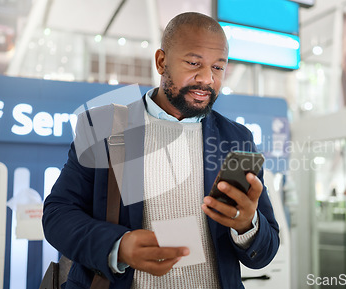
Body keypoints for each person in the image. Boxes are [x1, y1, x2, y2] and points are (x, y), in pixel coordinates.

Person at [43, 12, 280, 289]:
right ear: (161, 61)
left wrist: (247, 225)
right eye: (194, 63)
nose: (206, 78)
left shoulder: (236, 138)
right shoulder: (105, 127)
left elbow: (264, 252)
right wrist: (118, 246)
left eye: (218, 67)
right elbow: (58, 214)